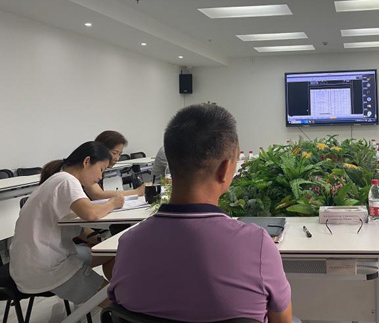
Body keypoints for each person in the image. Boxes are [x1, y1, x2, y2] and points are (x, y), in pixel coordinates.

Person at [108, 104, 292, 322]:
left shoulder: (129, 243)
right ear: (225, 169)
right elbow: (282, 319)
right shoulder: (257, 244)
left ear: (170, 165)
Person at [10, 142, 124, 305]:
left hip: (31, 262)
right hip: (45, 267)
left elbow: (78, 227)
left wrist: (98, 239)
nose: (100, 177)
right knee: (117, 301)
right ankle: (118, 305)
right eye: (101, 169)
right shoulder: (66, 180)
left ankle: (119, 296)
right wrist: (113, 203)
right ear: (87, 162)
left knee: (112, 255)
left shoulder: (59, 179)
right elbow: (90, 213)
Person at [85, 130, 144, 200]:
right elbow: (97, 194)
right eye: (114, 153)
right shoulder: (90, 166)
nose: (117, 158)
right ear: (101, 150)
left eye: (119, 154)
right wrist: (137, 192)